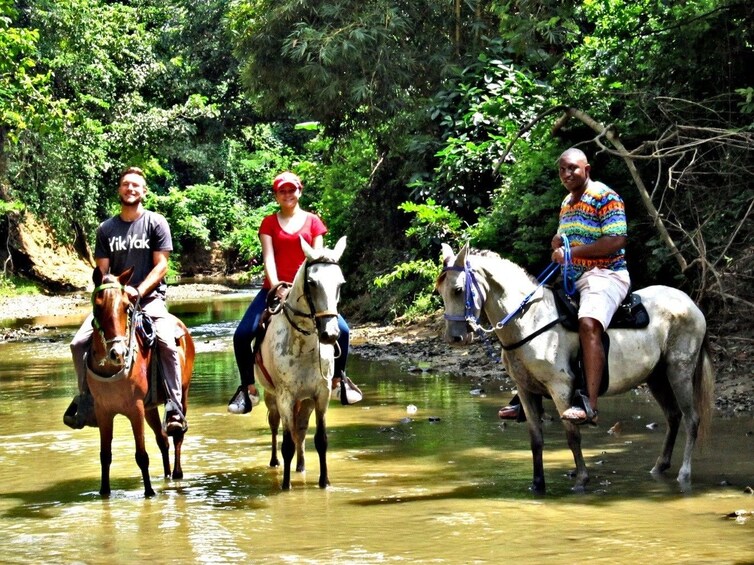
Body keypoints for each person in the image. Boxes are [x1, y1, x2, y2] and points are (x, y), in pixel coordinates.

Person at [498, 148, 630, 425]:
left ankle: (589, 404)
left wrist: (571, 254)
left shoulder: (606, 197)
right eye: (562, 170)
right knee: (530, 318)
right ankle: (527, 394)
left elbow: (616, 240)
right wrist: (558, 245)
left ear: (587, 169)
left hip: (605, 274)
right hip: (570, 276)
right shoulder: (567, 203)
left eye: (573, 168)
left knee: (588, 324)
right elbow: (566, 241)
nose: (567, 174)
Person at [64, 166, 188, 435]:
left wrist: (139, 291)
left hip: (150, 299)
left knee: (167, 342)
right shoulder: (106, 229)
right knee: (77, 344)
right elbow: (103, 272)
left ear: (144, 191)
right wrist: (117, 293)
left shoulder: (156, 223)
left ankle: (174, 408)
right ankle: (86, 399)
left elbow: (161, 266)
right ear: (119, 189)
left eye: (136, 185)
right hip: (114, 302)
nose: (131, 189)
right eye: (126, 184)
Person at [226, 171, 362, 415]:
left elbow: (318, 260)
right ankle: (247, 389)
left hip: (309, 291)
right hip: (274, 289)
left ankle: (339, 381)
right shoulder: (268, 222)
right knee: (242, 334)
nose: (287, 194)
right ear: (276, 195)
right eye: (282, 191)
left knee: (342, 330)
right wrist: (278, 285)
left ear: (299, 191)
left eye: (291, 190)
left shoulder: (313, 222)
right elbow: (268, 257)